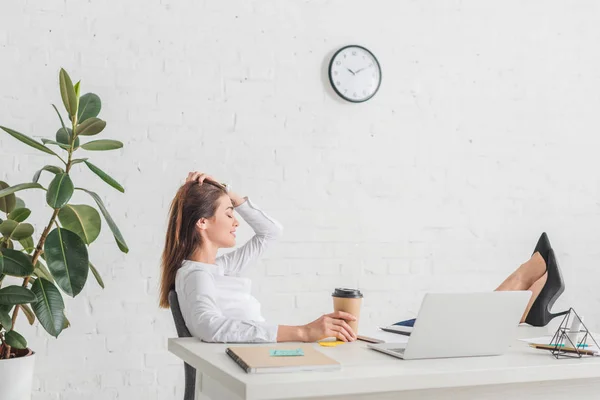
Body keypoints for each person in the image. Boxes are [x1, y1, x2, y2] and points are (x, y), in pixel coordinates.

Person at [159, 172, 564, 343]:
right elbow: (210, 327)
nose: (235, 221)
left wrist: (235, 195)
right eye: (228, 214)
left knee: (416, 332)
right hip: (277, 356)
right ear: (201, 223)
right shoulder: (196, 276)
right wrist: (303, 332)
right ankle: (524, 291)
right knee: (425, 335)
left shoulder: (217, 268)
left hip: (282, 351)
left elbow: (271, 232)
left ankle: (522, 291)